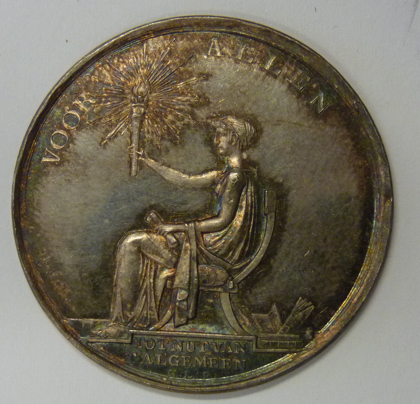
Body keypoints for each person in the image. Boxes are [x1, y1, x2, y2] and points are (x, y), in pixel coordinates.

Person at [95, 116, 259, 337]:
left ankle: (122, 323)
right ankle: (131, 318)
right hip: (206, 244)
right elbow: (186, 180)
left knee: (131, 243)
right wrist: (149, 161)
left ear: (235, 138)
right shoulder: (225, 175)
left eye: (221, 135)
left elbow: (223, 221)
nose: (216, 140)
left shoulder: (235, 178)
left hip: (212, 251)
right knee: (136, 241)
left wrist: (179, 228)